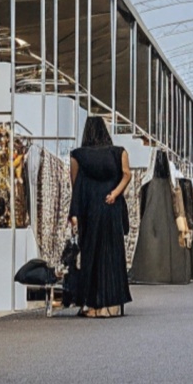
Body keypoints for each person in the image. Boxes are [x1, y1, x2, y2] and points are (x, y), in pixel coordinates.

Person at [65, 117, 134, 318]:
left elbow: (76, 183)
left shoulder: (78, 155)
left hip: (90, 209)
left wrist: (75, 214)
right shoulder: (119, 152)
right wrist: (114, 193)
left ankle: (92, 305)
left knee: (91, 255)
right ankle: (111, 305)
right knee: (112, 254)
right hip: (111, 208)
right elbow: (127, 174)